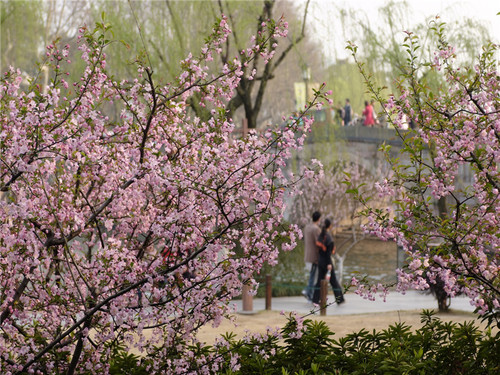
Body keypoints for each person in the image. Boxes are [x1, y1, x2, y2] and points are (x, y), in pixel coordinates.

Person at [312, 218, 345, 305]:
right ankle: (340, 299)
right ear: (330, 226)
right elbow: (328, 253)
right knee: (334, 281)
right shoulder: (329, 238)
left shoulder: (321, 236)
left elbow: (320, 250)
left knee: (319, 281)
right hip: (327, 262)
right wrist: (329, 263)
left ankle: (315, 300)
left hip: (320, 261)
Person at [302, 211, 321, 302]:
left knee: (312, 275)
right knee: (313, 276)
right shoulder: (316, 229)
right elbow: (318, 243)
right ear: (319, 219)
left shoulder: (307, 227)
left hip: (307, 254)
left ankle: (309, 292)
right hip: (314, 256)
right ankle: (308, 292)